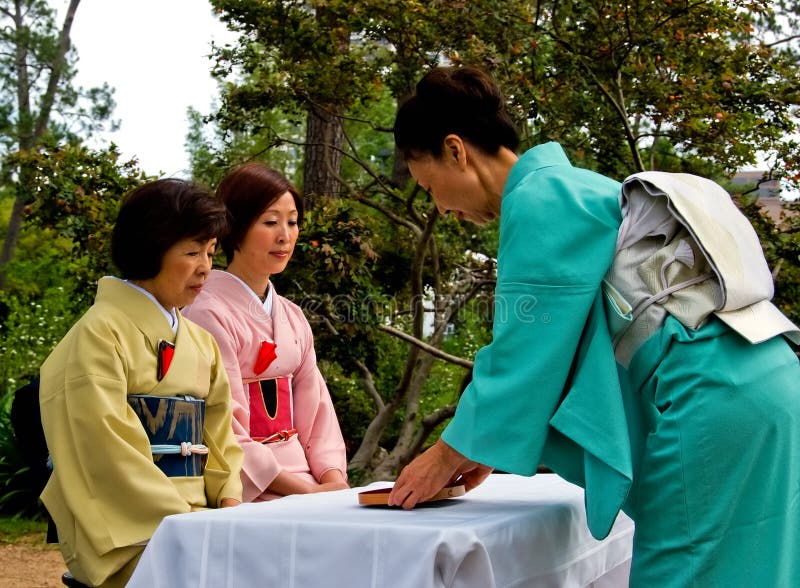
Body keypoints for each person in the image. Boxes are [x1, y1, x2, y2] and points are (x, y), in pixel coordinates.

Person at [387, 65, 800, 586]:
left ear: (455, 151)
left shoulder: (540, 200)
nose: (440, 208)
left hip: (710, 395)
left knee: (688, 569)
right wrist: (485, 444)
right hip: (766, 374)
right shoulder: (576, 188)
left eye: (428, 187)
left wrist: (447, 454)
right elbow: (565, 349)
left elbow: (523, 358)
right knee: (757, 565)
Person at [39, 179, 244, 588]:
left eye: (210, 251)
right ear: (150, 250)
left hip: (199, 519)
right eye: (191, 252)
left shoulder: (202, 343)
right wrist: (185, 523)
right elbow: (105, 448)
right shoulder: (98, 334)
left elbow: (221, 434)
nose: (206, 267)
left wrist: (228, 502)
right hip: (131, 531)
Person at [183, 162, 348, 502]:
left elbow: (318, 412)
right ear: (235, 227)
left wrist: (332, 479)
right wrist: (308, 493)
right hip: (249, 487)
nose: (285, 235)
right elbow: (222, 427)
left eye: (292, 222)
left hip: (307, 480)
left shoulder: (292, 315)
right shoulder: (206, 313)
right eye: (270, 222)